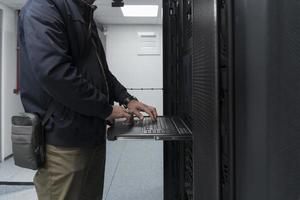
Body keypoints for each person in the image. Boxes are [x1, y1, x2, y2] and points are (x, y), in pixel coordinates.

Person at [19, 0, 158, 199]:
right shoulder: (44, 7)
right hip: (63, 144)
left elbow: (102, 74)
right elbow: (55, 74)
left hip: (92, 137)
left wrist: (127, 99)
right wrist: (107, 110)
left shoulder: (84, 16)